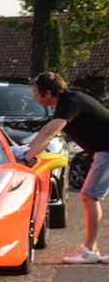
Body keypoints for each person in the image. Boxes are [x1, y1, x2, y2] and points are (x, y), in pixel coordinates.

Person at [26, 72, 109, 264]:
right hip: (103, 151)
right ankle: (91, 248)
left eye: (37, 95)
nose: (35, 99)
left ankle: (90, 250)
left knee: (89, 196)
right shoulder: (68, 101)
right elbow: (47, 131)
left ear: (48, 93)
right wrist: (28, 151)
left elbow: (50, 131)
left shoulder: (70, 101)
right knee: (90, 196)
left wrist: (27, 156)